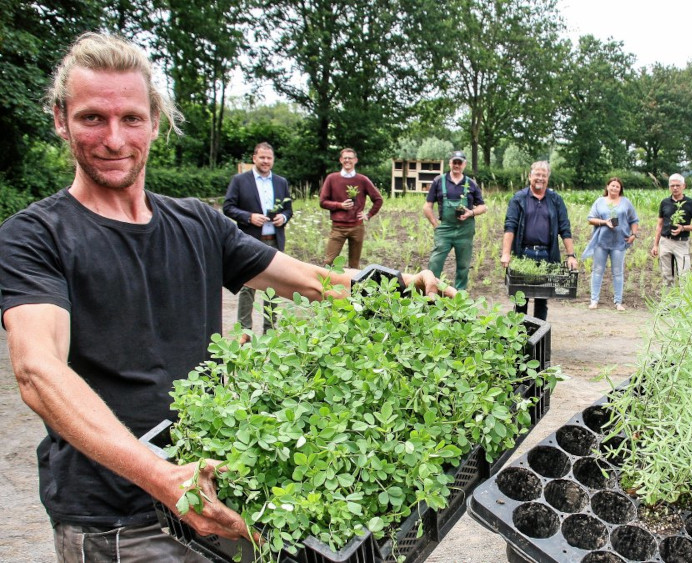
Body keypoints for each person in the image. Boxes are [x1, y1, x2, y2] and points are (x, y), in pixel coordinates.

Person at [0, 32, 450, 562]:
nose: (115, 139)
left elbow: (310, 281)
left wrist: (400, 286)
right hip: (117, 520)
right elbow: (38, 371)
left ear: (157, 121)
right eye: (92, 118)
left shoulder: (195, 222)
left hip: (213, 497)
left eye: (132, 119)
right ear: (60, 119)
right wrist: (163, 478)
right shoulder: (35, 236)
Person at [223, 142, 292, 343]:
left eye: (269, 158)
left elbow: (289, 209)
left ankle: (270, 329)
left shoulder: (281, 182)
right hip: (250, 240)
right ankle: (245, 331)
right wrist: (249, 217)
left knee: (274, 286)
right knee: (247, 286)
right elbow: (228, 207)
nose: (265, 161)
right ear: (254, 158)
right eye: (262, 157)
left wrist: (284, 218)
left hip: (274, 241)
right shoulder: (240, 181)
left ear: (273, 160)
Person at [500, 161, 577, 320]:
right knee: (521, 298)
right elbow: (510, 226)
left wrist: (571, 255)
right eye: (537, 174)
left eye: (544, 175)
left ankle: (538, 335)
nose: (540, 178)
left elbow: (564, 228)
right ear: (530, 176)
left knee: (542, 298)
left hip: (547, 255)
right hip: (524, 254)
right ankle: (519, 336)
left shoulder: (555, 199)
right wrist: (506, 253)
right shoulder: (519, 198)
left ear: (548, 178)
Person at [422, 151, 487, 290]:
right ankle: (431, 293)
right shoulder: (439, 181)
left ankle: (459, 297)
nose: (457, 165)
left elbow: (483, 207)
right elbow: (427, 207)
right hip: (445, 229)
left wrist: (471, 212)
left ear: (464, 164)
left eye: (460, 162)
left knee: (463, 266)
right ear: (450, 163)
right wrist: (435, 224)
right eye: (454, 162)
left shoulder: (471, 183)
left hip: (465, 230)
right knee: (435, 263)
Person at [319, 148, 383, 269]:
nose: (347, 160)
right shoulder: (332, 178)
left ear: (355, 160)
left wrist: (368, 215)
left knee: (354, 264)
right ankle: (325, 287)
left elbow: (378, 199)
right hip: (338, 227)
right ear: (340, 160)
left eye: (350, 158)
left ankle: (352, 287)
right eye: (345, 158)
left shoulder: (362, 180)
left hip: (357, 227)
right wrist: (340, 205)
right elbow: (323, 202)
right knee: (329, 261)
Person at [581, 177, 639, 310]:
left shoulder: (626, 203)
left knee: (618, 272)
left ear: (620, 189)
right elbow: (590, 219)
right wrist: (604, 222)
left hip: (619, 242)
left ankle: (618, 302)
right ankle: (594, 300)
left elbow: (634, 220)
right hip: (601, 242)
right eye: (612, 186)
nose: (614, 188)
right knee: (598, 270)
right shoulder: (599, 202)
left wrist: (633, 235)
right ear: (607, 187)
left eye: (617, 186)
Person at [651, 173, 692, 288]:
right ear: (669, 187)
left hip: (681, 243)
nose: (675, 188)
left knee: (684, 275)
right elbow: (660, 225)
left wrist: (683, 228)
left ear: (684, 186)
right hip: (665, 242)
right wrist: (655, 245)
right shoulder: (664, 203)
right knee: (666, 276)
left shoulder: (690, 203)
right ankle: (668, 303)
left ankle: (684, 304)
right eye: (672, 185)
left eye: (678, 185)